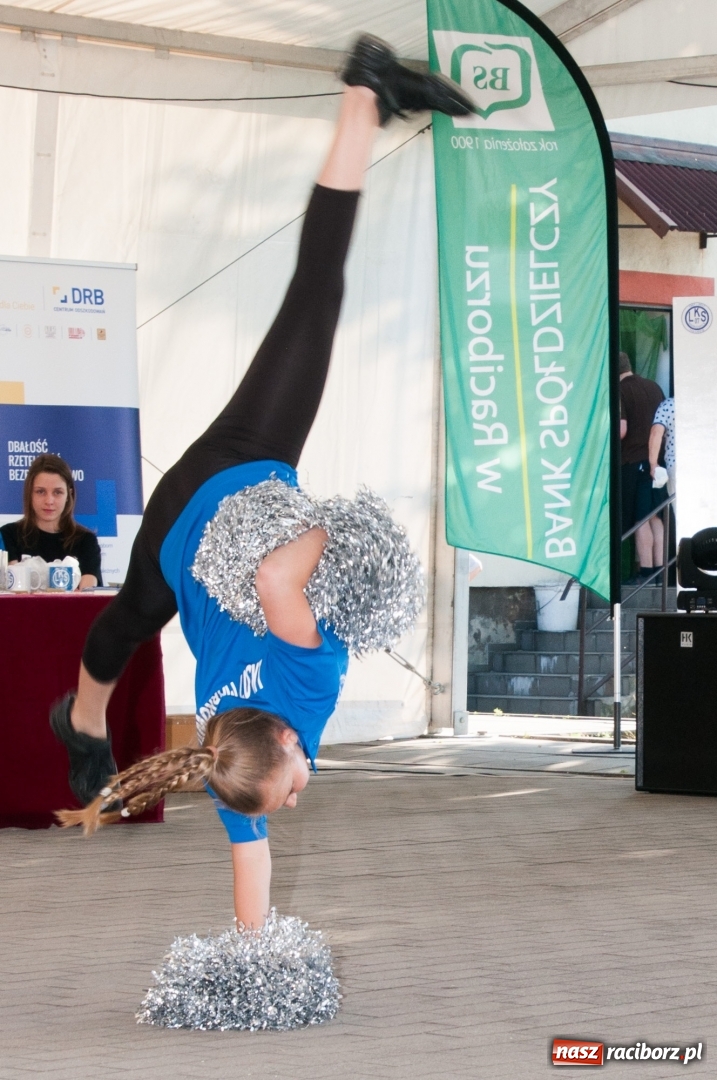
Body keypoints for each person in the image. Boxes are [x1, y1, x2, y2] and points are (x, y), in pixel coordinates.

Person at [52, 35, 474, 929]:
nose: (287, 804)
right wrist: (254, 953)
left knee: (134, 614)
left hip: (197, 516)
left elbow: (280, 576)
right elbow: (251, 854)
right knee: (316, 298)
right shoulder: (225, 759)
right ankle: (367, 97)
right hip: (239, 481)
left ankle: (83, 720)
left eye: (283, 796)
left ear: (286, 742)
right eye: (277, 804)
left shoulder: (301, 695)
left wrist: (340, 522)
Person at [0, 454, 102, 589]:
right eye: (41, 492)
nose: (49, 501)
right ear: (30, 493)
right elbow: (14, 590)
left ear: (68, 494)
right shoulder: (8, 535)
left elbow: (87, 594)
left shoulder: (86, 541)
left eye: (57, 492)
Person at [619, 352, 665, 581]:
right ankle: (660, 572)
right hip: (659, 462)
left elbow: (622, 429)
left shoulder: (620, 390)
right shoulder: (654, 387)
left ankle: (646, 572)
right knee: (656, 516)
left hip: (634, 461)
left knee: (640, 519)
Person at [649, 396, 676, 496]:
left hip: (676, 464)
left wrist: (653, 465)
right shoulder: (707, 405)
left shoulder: (668, 405)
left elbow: (656, 433)